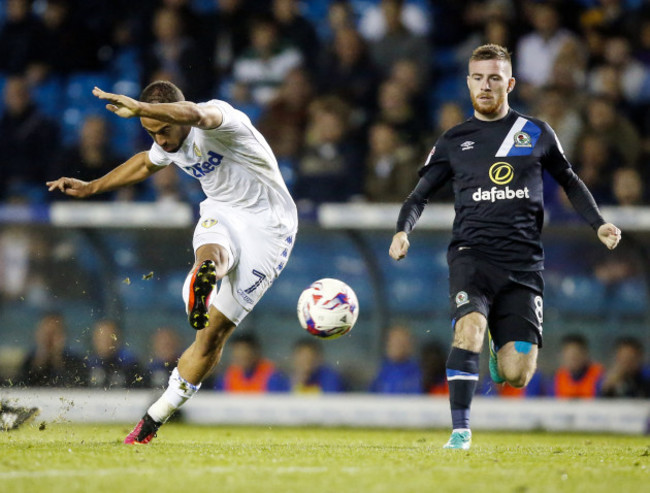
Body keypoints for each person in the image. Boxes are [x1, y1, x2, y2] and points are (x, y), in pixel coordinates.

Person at [389, 44, 621, 450]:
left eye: (494, 78)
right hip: (471, 255)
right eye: (478, 78)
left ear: (509, 83)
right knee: (468, 329)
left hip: (524, 264)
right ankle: (460, 431)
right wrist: (402, 230)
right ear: (467, 83)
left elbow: (570, 181)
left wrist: (598, 223)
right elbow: (418, 195)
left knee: (517, 374)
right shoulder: (454, 139)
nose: (485, 85)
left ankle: (500, 344)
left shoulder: (534, 133)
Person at [46, 79, 298, 444]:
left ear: (176, 116)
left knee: (212, 336)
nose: (161, 139)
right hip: (223, 210)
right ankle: (205, 276)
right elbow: (147, 162)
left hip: (270, 228)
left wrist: (143, 109)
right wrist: (91, 187)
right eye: (151, 132)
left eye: (164, 129)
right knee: (212, 248)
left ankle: (155, 415)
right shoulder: (166, 139)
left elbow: (195, 113)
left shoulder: (221, 118)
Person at [16, 311, 88, 387]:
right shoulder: (29, 362)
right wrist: (39, 362)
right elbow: (23, 389)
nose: (49, 339)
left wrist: (57, 360)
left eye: (54, 333)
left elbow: (77, 388)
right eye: (46, 334)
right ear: (37, 335)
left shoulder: (75, 362)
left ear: (64, 336)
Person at [213, 333, 288, 392]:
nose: (241, 359)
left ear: (255, 353)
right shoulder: (226, 377)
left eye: (245, 355)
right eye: (237, 356)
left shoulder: (272, 375)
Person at [87, 319, 148, 389]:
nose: (106, 342)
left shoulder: (130, 367)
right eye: (102, 338)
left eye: (109, 337)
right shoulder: (86, 367)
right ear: (94, 339)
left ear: (117, 339)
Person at [369, 325, 422, 394]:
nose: (394, 346)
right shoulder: (382, 370)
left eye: (399, 342)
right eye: (391, 342)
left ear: (408, 345)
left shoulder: (415, 372)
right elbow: (370, 396)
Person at [551, 334, 604, 399]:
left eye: (576, 354)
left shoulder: (598, 376)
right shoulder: (557, 378)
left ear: (585, 354)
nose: (573, 359)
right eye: (569, 355)